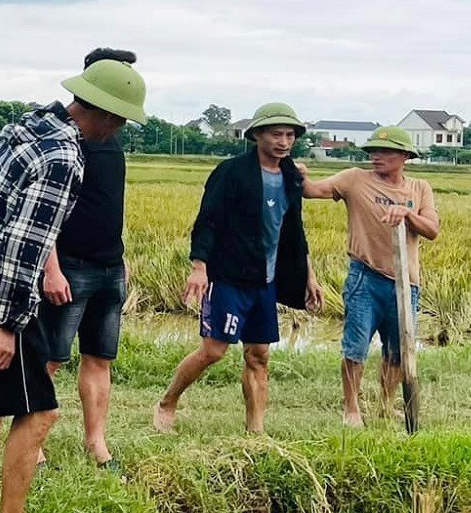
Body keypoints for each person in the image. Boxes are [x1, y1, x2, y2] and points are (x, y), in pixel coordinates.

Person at [0, 57, 145, 513]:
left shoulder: (32, 123)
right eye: (121, 118)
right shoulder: (65, 155)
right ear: (104, 113)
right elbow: (26, 244)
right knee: (42, 412)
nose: (120, 128)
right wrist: (7, 325)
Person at [154, 102, 324, 434]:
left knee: (259, 355)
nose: (284, 142)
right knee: (214, 351)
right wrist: (199, 267)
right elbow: (207, 222)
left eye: (290, 135)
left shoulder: (291, 176)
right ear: (257, 135)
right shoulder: (231, 172)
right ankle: (167, 402)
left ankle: (256, 431)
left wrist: (309, 275)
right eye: (276, 134)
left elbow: (294, 231)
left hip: (266, 279)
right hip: (229, 275)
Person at [37, 47, 136, 472]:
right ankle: (34, 442)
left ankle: (97, 444)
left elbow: (110, 205)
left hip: (110, 266)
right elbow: (43, 211)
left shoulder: (112, 140)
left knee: (100, 356)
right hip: (69, 267)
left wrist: (122, 258)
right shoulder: (62, 136)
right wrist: (51, 268)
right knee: (51, 358)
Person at [301, 126, 439, 427]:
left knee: (397, 351)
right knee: (356, 347)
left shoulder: (419, 188)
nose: (376, 157)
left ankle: (386, 404)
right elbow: (313, 191)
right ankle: (351, 408)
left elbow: (432, 229)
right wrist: (297, 173)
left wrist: (406, 214)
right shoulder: (354, 179)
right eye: (372, 151)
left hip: (406, 283)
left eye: (384, 152)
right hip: (365, 277)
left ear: (404, 156)